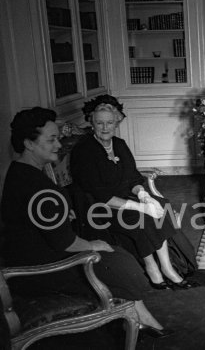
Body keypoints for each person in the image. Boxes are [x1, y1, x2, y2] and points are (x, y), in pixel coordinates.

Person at [1, 107, 173, 338]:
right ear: (29, 143)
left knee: (118, 254)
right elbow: (66, 242)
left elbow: (39, 216)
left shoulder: (21, 172)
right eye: (51, 139)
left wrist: (62, 213)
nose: (59, 145)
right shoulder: (35, 184)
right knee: (116, 260)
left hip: (34, 252)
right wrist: (93, 245)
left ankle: (140, 316)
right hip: (39, 271)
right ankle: (138, 318)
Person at [70, 95, 194, 291]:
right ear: (91, 122)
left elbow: (133, 178)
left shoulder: (119, 144)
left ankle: (167, 267)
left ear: (116, 122)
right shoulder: (84, 151)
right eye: (99, 123)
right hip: (99, 206)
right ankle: (152, 267)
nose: (105, 128)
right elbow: (99, 194)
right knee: (142, 217)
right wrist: (140, 205)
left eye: (109, 123)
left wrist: (144, 195)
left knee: (160, 206)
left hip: (125, 198)